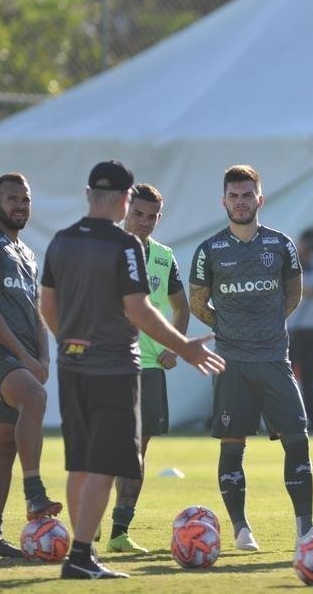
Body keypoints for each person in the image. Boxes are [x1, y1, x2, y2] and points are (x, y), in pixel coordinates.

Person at [41, 160, 223, 579]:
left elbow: (48, 306)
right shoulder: (126, 247)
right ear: (125, 201)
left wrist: (69, 345)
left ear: (89, 194)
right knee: (108, 462)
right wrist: (185, 348)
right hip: (115, 366)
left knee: (81, 463)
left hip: (72, 366)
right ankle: (83, 555)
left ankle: (79, 551)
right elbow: (137, 308)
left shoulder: (61, 241)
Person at [189, 164, 313, 552]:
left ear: (260, 198)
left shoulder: (280, 245)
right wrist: (229, 327)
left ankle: (305, 530)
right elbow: (197, 304)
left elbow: (292, 295)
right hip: (230, 363)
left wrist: (267, 326)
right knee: (232, 444)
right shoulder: (209, 249)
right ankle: (242, 530)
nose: (240, 202)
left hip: (275, 358)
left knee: (297, 439)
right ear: (223, 200)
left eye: (247, 195)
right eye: (233, 196)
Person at [0, 173, 60, 559]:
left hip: (21, 357)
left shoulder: (27, 252)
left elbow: (35, 311)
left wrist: (44, 355)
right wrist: (23, 356)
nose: (20, 205)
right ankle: (35, 495)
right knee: (33, 398)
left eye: (26, 200)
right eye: (12, 199)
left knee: (3, 444)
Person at [100, 183, 190, 553]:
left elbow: (181, 308)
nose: (145, 222)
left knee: (138, 451)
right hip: (108, 364)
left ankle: (119, 532)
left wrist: (174, 346)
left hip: (150, 367)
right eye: (138, 214)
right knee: (107, 450)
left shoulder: (164, 257)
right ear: (125, 209)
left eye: (152, 216)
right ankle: (86, 532)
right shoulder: (104, 250)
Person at [288, 230, 313, 431]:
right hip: (293, 327)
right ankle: (285, 418)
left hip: (311, 328)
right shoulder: (291, 264)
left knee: (310, 377)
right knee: (287, 376)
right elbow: (300, 289)